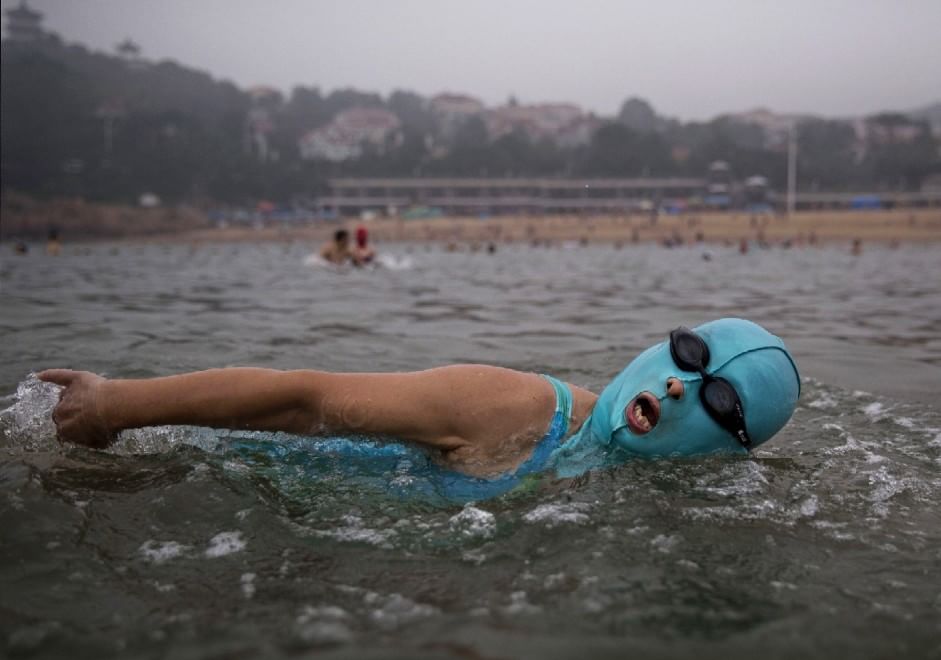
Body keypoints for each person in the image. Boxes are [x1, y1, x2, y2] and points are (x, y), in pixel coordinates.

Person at [38, 318, 800, 500]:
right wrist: (113, 404)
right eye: (688, 356)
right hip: (220, 476)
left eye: (717, 397)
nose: (677, 386)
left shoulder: (667, 486)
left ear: (732, 447)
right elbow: (305, 400)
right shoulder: (516, 406)